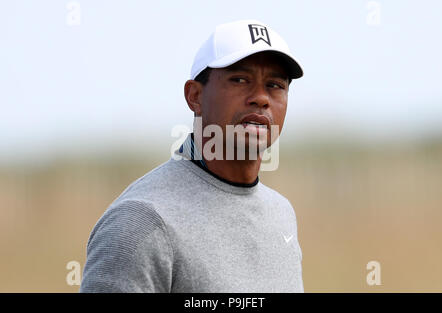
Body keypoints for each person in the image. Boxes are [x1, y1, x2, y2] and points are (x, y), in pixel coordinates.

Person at [80, 19, 304, 293]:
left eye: (275, 85)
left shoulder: (280, 213)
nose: (260, 97)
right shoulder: (141, 222)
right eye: (240, 80)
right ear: (194, 96)